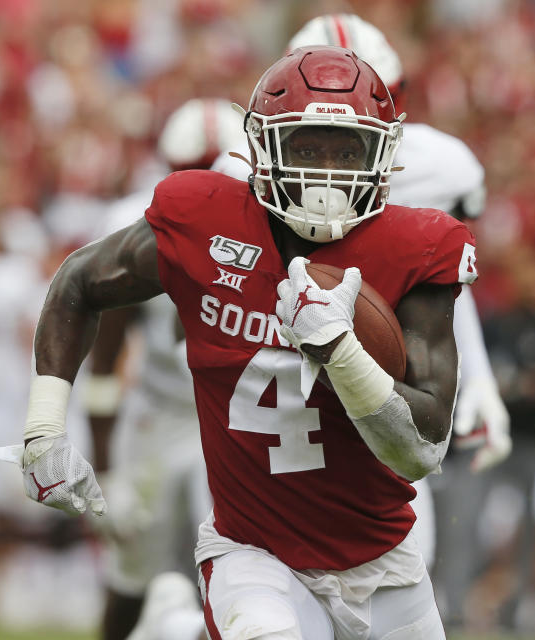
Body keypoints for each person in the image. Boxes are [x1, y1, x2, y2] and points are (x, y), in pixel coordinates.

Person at [0, 45, 477, 640]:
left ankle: (172, 629)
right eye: (306, 146)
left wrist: (340, 352)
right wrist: (45, 427)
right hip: (253, 551)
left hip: (381, 558)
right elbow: (77, 283)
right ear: (265, 146)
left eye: (346, 149)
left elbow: (421, 451)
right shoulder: (206, 218)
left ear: (381, 152)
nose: (325, 171)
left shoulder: (416, 246)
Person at [212, 13, 511, 596]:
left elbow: (441, 287)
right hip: (270, 377)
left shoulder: (441, 165)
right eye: (306, 134)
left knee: (399, 552)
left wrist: (479, 379)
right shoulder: (236, 169)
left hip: (386, 372)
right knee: (254, 567)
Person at [87, 98, 246, 640]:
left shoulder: (270, 231)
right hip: (160, 414)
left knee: (239, 574)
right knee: (131, 570)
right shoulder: (135, 229)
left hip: (234, 419)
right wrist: (105, 469)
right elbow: (104, 359)